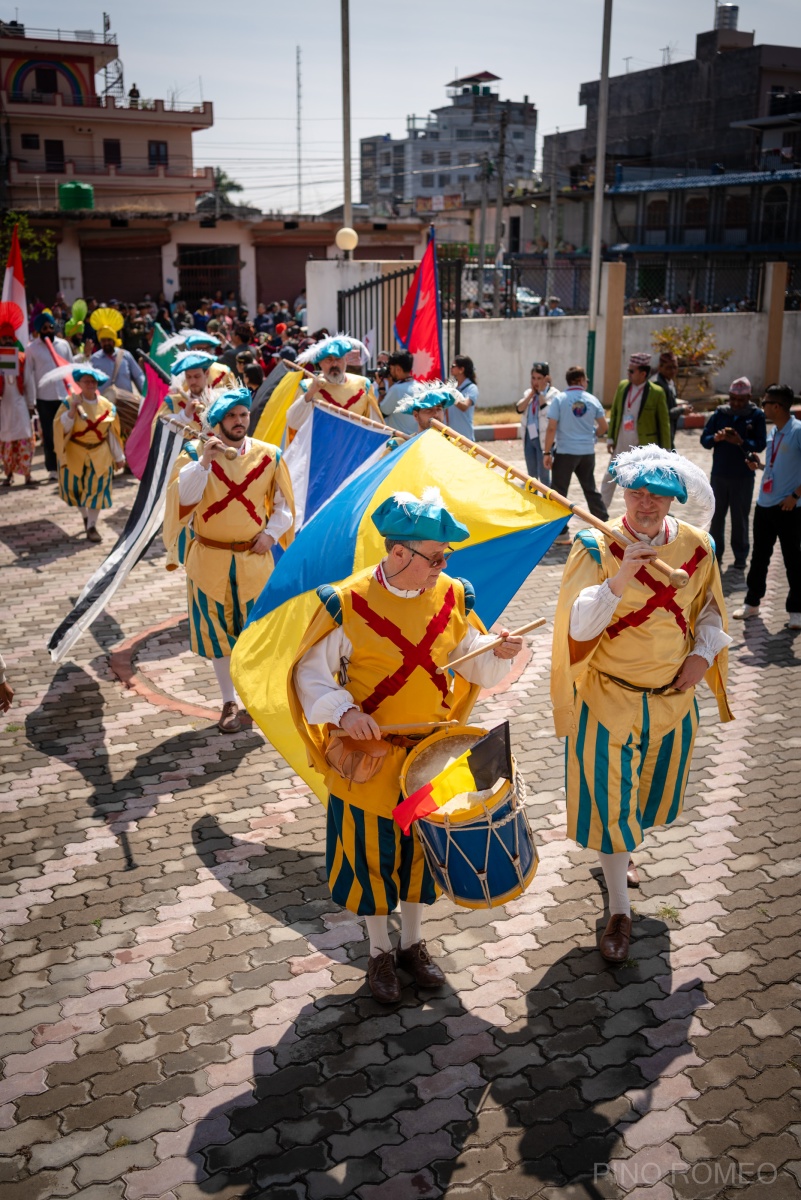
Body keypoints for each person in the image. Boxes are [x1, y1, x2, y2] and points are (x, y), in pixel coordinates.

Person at [290, 488, 523, 1002]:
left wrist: (497, 650)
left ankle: (413, 945)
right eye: (434, 557)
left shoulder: (452, 596)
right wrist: (346, 713)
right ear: (398, 554)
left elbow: (471, 662)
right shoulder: (346, 602)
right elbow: (311, 677)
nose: (443, 566)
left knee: (421, 853)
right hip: (369, 757)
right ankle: (378, 953)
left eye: (445, 557)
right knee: (372, 856)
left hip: (432, 758)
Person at [551, 444, 732, 963]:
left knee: (645, 800)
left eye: (657, 495)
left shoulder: (698, 547)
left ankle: (622, 856)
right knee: (610, 809)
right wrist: (622, 575)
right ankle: (620, 911)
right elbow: (579, 628)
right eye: (636, 492)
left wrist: (702, 656)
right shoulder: (594, 545)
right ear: (623, 492)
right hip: (608, 698)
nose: (645, 504)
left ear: (675, 498)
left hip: (672, 700)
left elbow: (710, 612)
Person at [163, 388, 294, 732]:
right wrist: (204, 462)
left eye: (243, 415)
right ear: (218, 421)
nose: (239, 422)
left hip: (254, 558)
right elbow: (183, 501)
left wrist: (271, 533)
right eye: (232, 416)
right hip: (210, 559)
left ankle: (254, 700)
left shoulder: (269, 455)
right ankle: (228, 702)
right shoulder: (194, 453)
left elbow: (284, 505)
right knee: (219, 635)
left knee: (255, 633)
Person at [733, 384, 801, 629]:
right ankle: (752, 604)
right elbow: (776, 467)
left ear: (777, 406)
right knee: (759, 557)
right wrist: (759, 466)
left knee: (794, 559)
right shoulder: (774, 433)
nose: (762, 408)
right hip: (764, 505)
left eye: (765, 403)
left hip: (788, 507)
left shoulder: (797, 431)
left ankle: (796, 610)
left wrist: (795, 495)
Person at [700, 377, 767, 571]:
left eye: (741, 400)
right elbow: (705, 440)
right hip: (719, 475)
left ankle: (740, 557)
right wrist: (717, 437)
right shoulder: (720, 414)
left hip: (743, 477)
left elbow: (760, 443)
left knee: (740, 518)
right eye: (733, 399)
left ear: (748, 397)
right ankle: (715, 555)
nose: (736, 404)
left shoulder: (756, 416)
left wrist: (741, 441)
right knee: (717, 517)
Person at [53, 366, 124, 543]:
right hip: (74, 451)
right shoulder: (69, 403)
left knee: (97, 490)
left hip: (100, 452)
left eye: (93, 381)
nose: (90, 384)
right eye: (86, 381)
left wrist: (119, 457)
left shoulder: (108, 407)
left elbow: (112, 434)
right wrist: (72, 411)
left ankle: (92, 525)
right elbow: (62, 429)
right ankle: (85, 516)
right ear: (79, 383)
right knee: (75, 489)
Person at [601, 352, 670, 508]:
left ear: (643, 373)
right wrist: (610, 437)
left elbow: (664, 424)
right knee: (610, 476)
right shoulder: (623, 386)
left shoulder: (657, 392)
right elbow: (616, 412)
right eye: (628, 370)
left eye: (632, 371)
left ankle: (646, 510)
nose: (628, 374)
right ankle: (601, 510)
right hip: (622, 441)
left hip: (643, 446)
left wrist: (666, 450)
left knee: (642, 482)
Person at [543, 366, 609, 529]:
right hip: (587, 452)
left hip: (565, 452)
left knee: (558, 492)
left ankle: (560, 530)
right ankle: (604, 524)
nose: (586, 382)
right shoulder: (592, 399)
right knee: (590, 489)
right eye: (585, 380)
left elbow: (551, 428)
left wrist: (546, 452)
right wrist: (592, 435)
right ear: (580, 380)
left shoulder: (560, 399)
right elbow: (603, 427)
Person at [286, 334, 381, 439]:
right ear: (320, 363)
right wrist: (311, 392)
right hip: (321, 451)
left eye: (338, 359)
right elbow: (293, 422)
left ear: (345, 361)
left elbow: (375, 424)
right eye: (329, 360)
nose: (334, 365)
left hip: (354, 451)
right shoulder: (307, 387)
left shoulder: (363, 385)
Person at [24, 311, 74, 483]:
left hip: (64, 396)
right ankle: (52, 467)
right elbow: (28, 376)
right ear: (38, 330)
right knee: (49, 434)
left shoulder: (63, 345)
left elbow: (70, 368)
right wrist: (31, 401)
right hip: (44, 397)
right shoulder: (32, 349)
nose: (48, 330)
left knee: (67, 431)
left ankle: (67, 463)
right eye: (44, 328)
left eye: (51, 327)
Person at [0, 302, 38, 488]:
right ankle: (8, 475)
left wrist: (31, 406)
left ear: (13, 338)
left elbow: (29, 382)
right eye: (3, 338)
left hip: (20, 404)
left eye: (9, 338)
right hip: (3, 407)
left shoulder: (22, 358)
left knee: (24, 439)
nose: (6, 341)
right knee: (6, 441)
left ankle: (28, 475)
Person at [516, 361, 559, 485]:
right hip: (530, 437)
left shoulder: (554, 394)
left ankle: (547, 500)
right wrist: (531, 395)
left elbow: (549, 414)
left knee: (544, 476)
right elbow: (519, 408)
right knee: (532, 476)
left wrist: (540, 394)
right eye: (533, 378)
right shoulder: (528, 393)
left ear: (547, 378)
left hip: (544, 439)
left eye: (539, 378)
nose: (536, 382)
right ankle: (534, 500)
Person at [89, 309, 146, 400]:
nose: (106, 343)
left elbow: (138, 376)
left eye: (109, 340)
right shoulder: (94, 359)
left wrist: (146, 394)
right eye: (103, 341)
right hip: (104, 406)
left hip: (127, 405)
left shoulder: (125, 355)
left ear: (114, 340)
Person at [379, 350, 423, 435]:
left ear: (398, 369)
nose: (390, 372)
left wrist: (382, 389)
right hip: (416, 440)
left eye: (391, 368)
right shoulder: (421, 387)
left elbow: (382, 412)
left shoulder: (396, 389)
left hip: (399, 442)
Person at [654, 351, 690, 448]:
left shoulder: (669, 381)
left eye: (675, 367)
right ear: (660, 367)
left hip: (669, 431)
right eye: (669, 368)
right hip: (660, 435)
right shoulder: (658, 385)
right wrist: (682, 410)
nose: (673, 371)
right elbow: (664, 414)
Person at [448, 355, 478, 440]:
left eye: (453, 366)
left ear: (461, 370)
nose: (451, 368)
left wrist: (450, 393)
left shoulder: (472, 388)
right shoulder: (453, 387)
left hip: (465, 436)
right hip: (451, 435)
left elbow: (464, 406)